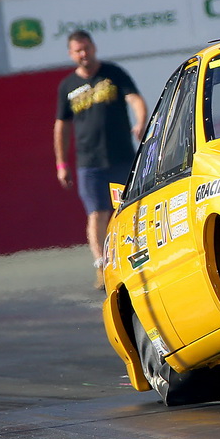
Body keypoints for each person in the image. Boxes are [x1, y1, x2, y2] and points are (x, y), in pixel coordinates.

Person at [54, 31, 147, 289]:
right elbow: (61, 126)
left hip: (121, 158)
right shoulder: (67, 86)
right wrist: (61, 164)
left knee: (127, 210)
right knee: (97, 214)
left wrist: (141, 121)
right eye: (78, 50)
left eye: (86, 48)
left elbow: (134, 98)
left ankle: (135, 262)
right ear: (71, 54)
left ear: (94, 47)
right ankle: (101, 267)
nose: (83, 54)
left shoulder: (113, 73)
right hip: (90, 163)